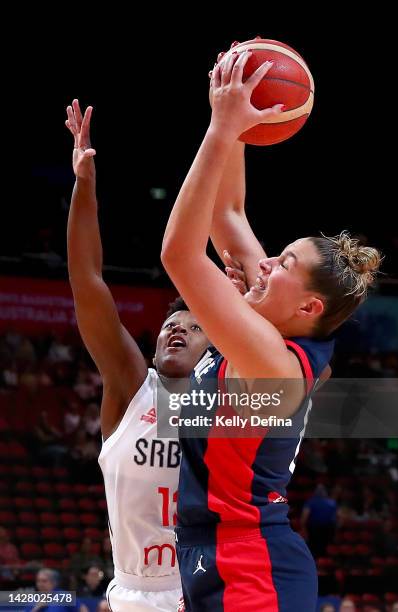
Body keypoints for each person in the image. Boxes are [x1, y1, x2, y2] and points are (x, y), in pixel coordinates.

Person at [161, 50, 381, 611]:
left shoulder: (272, 362)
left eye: (280, 263)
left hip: (253, 566)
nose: (264, 264)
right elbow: (227, 213)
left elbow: (180, 255)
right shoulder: (268, 325)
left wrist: (220, 129)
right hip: (213, 554)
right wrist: (241, 112)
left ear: (308, 306)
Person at [65, 100, 211, 611]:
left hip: (209, 589)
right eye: (172, 324)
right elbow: (87, 282)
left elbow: (318, 379)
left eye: (195, 329)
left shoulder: (233, 399)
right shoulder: (132, 388)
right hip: (139, 595)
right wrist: (85, 186)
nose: (178, 331)